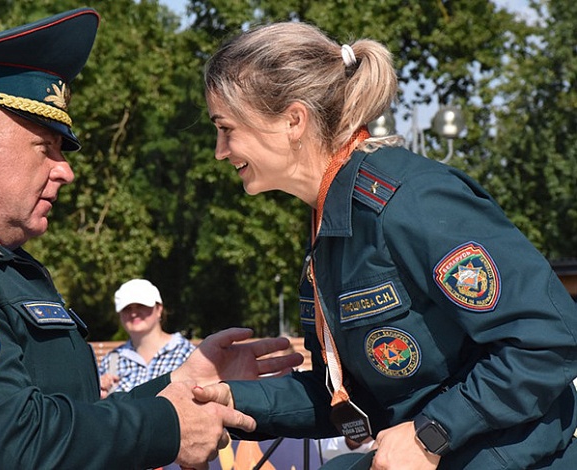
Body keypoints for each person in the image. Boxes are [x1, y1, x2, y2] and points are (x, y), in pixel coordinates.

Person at [0, 8, 301, 470]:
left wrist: (179, 386)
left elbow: (67, 414)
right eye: (46, 147)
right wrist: (166, 424)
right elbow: (13, 443)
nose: (66, 170)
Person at [195, 20, 577, 469]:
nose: (220, 150)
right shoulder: (330, 226)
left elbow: (547, 339)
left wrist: (431, 434)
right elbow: (345, 395)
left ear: (293, 120)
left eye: (226, 128)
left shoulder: (407, 201)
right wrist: (231, 401)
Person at [99, 278, 196, 397]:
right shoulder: (111, 361)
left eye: (141, 306)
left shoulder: (186, 353)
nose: (134, 313)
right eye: (127, 308)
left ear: (159, 309)